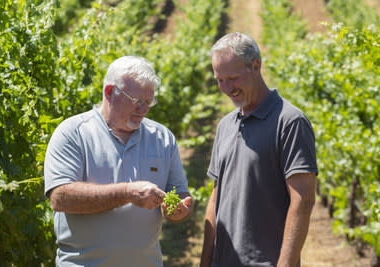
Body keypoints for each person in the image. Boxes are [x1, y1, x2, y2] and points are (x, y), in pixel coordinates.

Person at [44, 55, 193, 267]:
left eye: (149, 101)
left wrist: (180, 209)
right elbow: (60, 198)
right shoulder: (73, 134)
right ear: (109, 92)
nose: (144, 109)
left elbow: (180, 193)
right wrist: (128, 193)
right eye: (137, 101)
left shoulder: (162, 137)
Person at [200, 32, 318, 267]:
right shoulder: (225, 125)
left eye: (232, 78)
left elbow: (303, 200)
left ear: (256, 66)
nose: (226, 87)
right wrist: (205, 262)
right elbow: (215, 198)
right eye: (219, 79)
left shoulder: (290, 121)